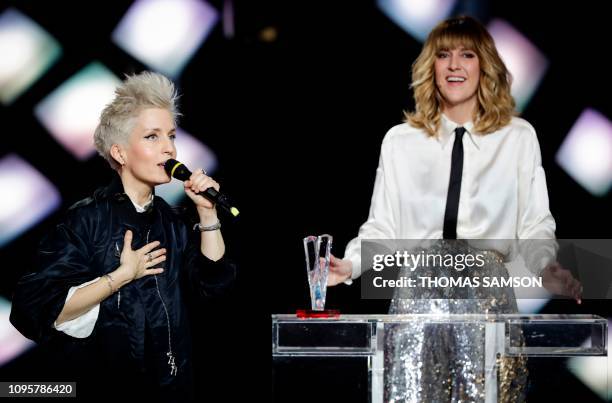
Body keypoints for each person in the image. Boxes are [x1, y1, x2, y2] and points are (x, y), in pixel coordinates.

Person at [326, 16, 582, 402]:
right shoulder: (400, 140)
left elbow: (534, 224)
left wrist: (547, 267)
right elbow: (382, 226)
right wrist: (350, 265)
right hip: (417, 297)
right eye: (443, 55)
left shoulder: (518, 137)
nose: (454, 65)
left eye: (467, 55)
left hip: (487, 297)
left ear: (485, 66)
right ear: (431, 66)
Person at [10, 71, 236, 402]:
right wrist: (119, 277)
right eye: (152, 137)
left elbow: (213, 283)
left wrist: (206, 213)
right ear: (120, 153)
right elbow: (34, 309)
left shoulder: (172, 221)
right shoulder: (86, 220)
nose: (169, 148)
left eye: (171, 136)